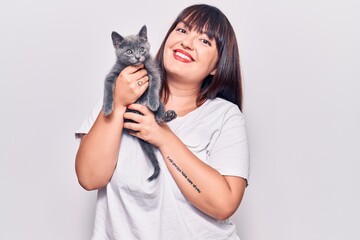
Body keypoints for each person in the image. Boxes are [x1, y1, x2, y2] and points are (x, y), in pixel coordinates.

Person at [75, 4, 250, 240]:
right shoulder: (121, 93)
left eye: (205, 41)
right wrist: (118, 104)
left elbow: (223, 204)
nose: (187, 42)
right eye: (182, 30)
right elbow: (89, 177)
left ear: (217, 67)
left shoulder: (225, 116)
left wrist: (164, 137)